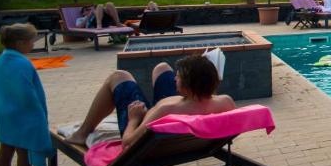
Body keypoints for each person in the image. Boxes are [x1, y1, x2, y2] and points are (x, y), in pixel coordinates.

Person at [67, 55, 234, 149]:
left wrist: (134, 118)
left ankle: (82, 133)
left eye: (179, 76)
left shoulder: (165, 110)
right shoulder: (226, 102)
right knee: (162, 67)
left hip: (153, 131)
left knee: (118, 76)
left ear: (188, 86)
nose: (175, 78)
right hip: (184, 119)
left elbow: (128, 141)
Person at [0, 23, 54, 166]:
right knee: (23, 150)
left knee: (5, 151)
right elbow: (27, 93)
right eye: (30, 41)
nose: (33, 44)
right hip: (22, 114)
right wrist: (38, 112)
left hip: (4, 113)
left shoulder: (1, 61)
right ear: (19, 43)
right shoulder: (21, 63)